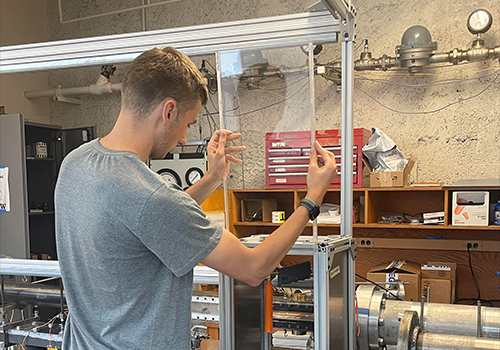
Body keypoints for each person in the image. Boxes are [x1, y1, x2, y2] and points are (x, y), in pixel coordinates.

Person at [55, 46, 337, 350]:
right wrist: (312, 198)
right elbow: (254, 268)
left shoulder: (75, 163)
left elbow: (148, 223)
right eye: (188, 124)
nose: (184, 139)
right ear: (169, 111)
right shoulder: (151, 197)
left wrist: (213, 178)